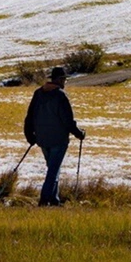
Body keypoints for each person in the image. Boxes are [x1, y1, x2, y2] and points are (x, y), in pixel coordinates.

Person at [24, 66, 85, 207]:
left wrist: (30, 136)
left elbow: (30, 116)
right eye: (64, 79)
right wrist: (79, 133)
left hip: (42, 139)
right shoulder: (60, 95)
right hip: (58, 139)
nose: (65, 82)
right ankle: (44, 200)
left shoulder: (38, 93)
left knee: (53, 168)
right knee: (53, 170)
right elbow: (68, 121)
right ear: (59, 79)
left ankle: (54, 200)